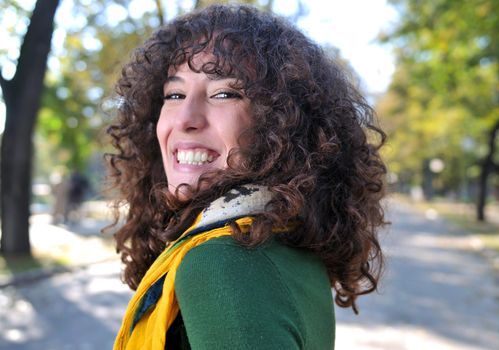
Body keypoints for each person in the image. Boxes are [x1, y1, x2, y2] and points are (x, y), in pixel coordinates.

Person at [106, 4, 387, 350]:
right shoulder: (283, 239)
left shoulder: (222, 261)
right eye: (174, 95)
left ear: (282, 125)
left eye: (224, 93)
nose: (185, 119)